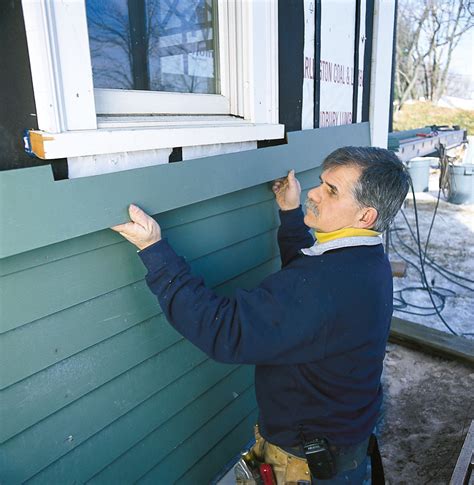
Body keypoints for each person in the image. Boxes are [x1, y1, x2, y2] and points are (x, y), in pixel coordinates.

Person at [111, 146, 410, 484]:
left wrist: (154, 250)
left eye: (331, 190)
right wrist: (290, 212)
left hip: (305, 469)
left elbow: (224, 331)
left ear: (365, 216)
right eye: (322, 182)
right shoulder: (366, 260)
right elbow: (307, 280)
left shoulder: (322, 286)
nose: (314, 192)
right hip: (341, 452)